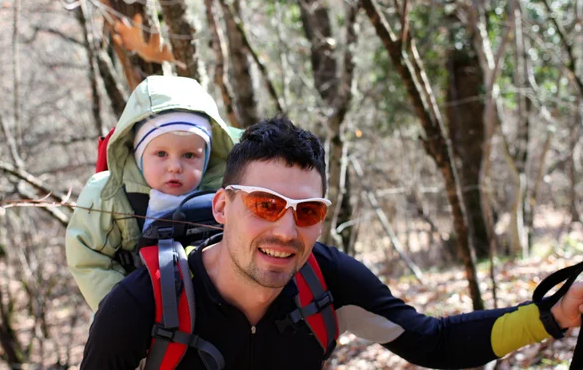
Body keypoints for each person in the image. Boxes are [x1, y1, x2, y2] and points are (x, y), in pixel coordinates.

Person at [80, 116, 583, 369]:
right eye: (265, 205)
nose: (286, 230)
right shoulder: (142, 304)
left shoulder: (328, 281)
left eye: (309, 211)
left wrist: (555, 315)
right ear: (222, 207)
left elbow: (438, 341)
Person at [65, 75, 240, 312]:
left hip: (210, 308)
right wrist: (123, 308)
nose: (175, 167)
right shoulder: (110, 194)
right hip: (135, 307)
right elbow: (87, 256)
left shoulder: (224, 190)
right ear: (139, 155)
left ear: (207, 157)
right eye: (161, 154)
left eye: (190, 155)